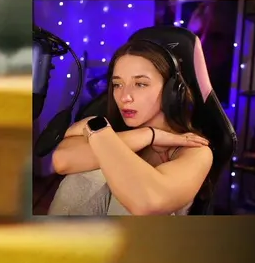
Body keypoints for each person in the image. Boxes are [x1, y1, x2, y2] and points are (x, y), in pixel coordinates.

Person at [49, 40, 213, 216]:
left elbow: (147, 203)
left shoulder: (196, 150)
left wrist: (95, 132)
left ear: (171, 91)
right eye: (118, 84)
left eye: (140, 84)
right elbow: (61, 160)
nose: (124, 97)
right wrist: (149, 135)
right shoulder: (115, 131)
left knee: (119, 169)